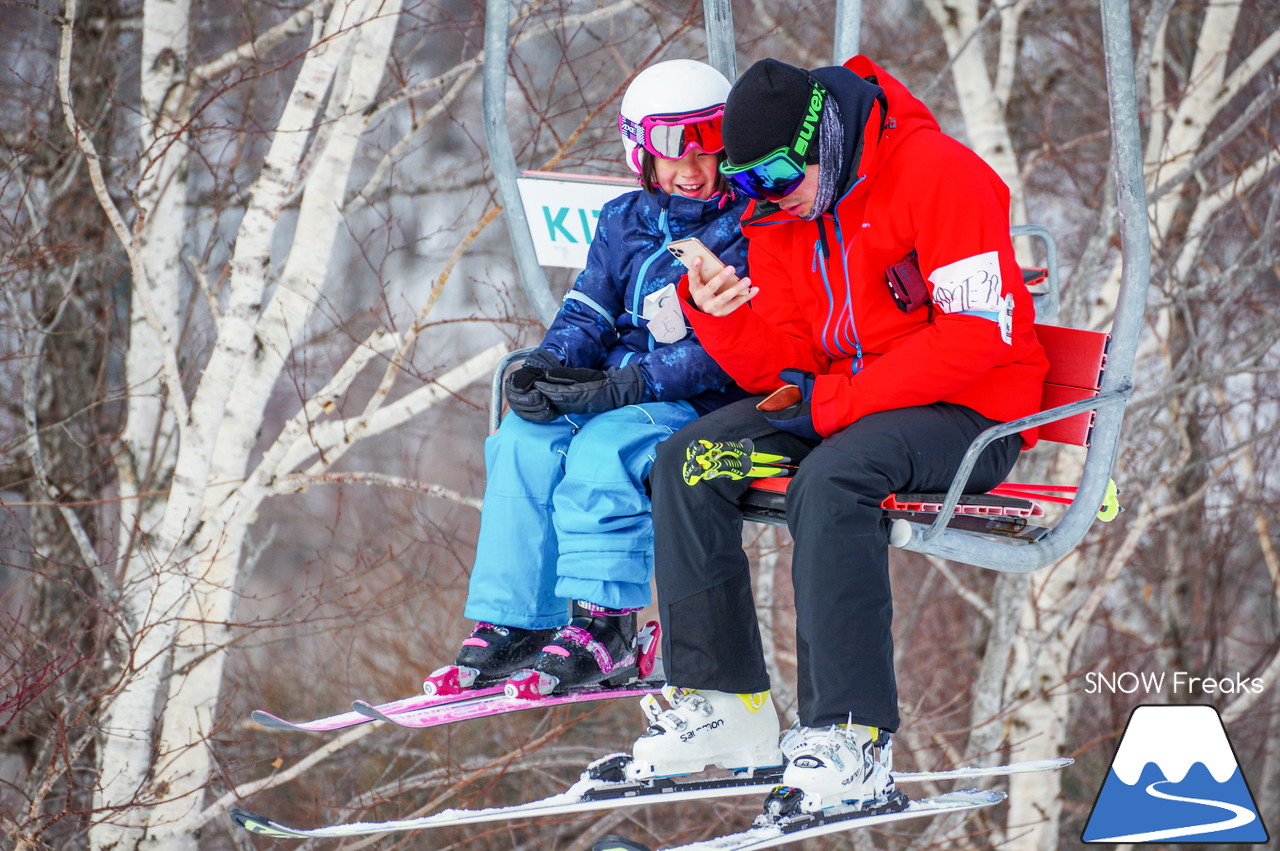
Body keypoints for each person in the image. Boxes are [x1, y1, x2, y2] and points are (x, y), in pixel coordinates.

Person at [625, 56, 1050, 816]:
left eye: (780, 175)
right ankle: (726, 705)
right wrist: (718, 314)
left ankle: (850, 736)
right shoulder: (778, 214)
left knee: (831, 480)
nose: (766, 196)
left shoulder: (939, 175)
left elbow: (976, 338)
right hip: (845, 401)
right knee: (690, 459)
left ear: (828, 137)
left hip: (971, 412)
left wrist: (833, 405)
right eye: (746, 181)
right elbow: (789, 360)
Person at [429, 59, 751, 698]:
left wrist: (630, 386)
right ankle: (519, 622)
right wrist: (549, 365)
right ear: (641, 151)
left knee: (602, 453)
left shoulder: (749, 228)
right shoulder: (622, 220)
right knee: (523, 440)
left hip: (699, 397)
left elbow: (732, 347)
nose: (692, 164)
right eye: (671, 144)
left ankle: (607, 627)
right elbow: (590, 308)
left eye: (710, 140)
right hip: (619, 389)